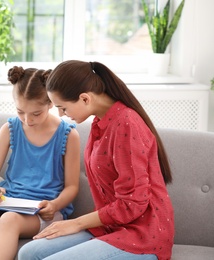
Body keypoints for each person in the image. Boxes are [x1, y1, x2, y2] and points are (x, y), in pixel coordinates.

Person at [18, 60, 175, 260]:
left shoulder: (127, 124)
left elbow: (133, 203)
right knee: (29, 253)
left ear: (85, 99)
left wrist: (76, 223)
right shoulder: (100, 122)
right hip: (111, 227)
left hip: (143, 236)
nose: (60, 115)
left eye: (63, 108)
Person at [0, 66, 81, 260]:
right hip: (9, 200)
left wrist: (54, 205)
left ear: (50, 103)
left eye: (36, 113)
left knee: (9, 220)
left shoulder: (68, 135)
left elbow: (72, 187)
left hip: (43, 210)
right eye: (21, 112)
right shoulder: (9, 129)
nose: (28, 120)